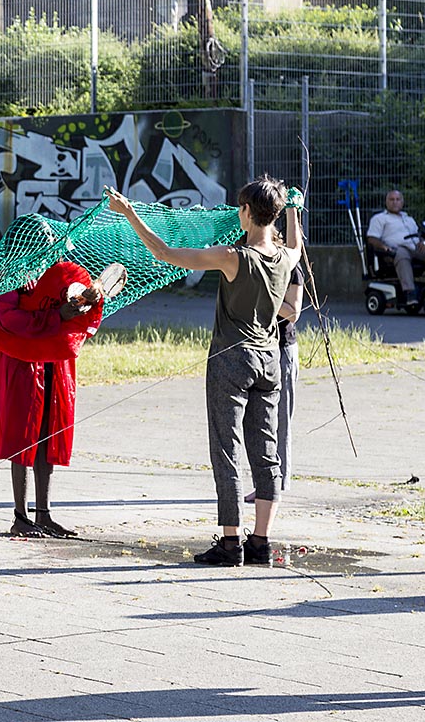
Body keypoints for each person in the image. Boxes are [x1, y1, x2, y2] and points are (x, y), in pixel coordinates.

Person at [106, 176, 302, 567]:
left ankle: (230, 545)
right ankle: (260, 542)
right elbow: (296, 245)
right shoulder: (286, 258)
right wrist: (295, 210)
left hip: (232, 361)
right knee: (266, 454)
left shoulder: (232, 257)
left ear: (246, 212)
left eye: (240, 209)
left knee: (227, 450)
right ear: (276, 215)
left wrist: (129, 212)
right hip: (269, 362)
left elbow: (163, 252)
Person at [0, 263, 105, 538]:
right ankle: (20, 517)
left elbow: (76, 305)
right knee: (23, 437)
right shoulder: (11, 276)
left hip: (53, 361)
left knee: (47, 435)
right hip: (22, 363)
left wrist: (88, 299)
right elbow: (9, 319)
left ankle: (44, 514)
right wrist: (54, 316)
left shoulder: (58, 273)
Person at [245, 260, 304, 504]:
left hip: (283, 351)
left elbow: (293, 313)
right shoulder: (254, 262)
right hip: (258, 348)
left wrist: (264, 295)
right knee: (258, 421)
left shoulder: (292, 268)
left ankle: (276, 484)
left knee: (280, 420)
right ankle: (263, 483)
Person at [367, 189, 425, 307]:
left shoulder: (409, 219)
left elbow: (418, 235)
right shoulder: (379, 218)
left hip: (414, 249)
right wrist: (383, 247)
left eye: (398, 199)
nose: (395, 202)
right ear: (386, 202)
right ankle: (410, 293)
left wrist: (423, 242)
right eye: (392, 199)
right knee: (402, 253)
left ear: (402, 202)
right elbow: (372, 238)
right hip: (393, 251)